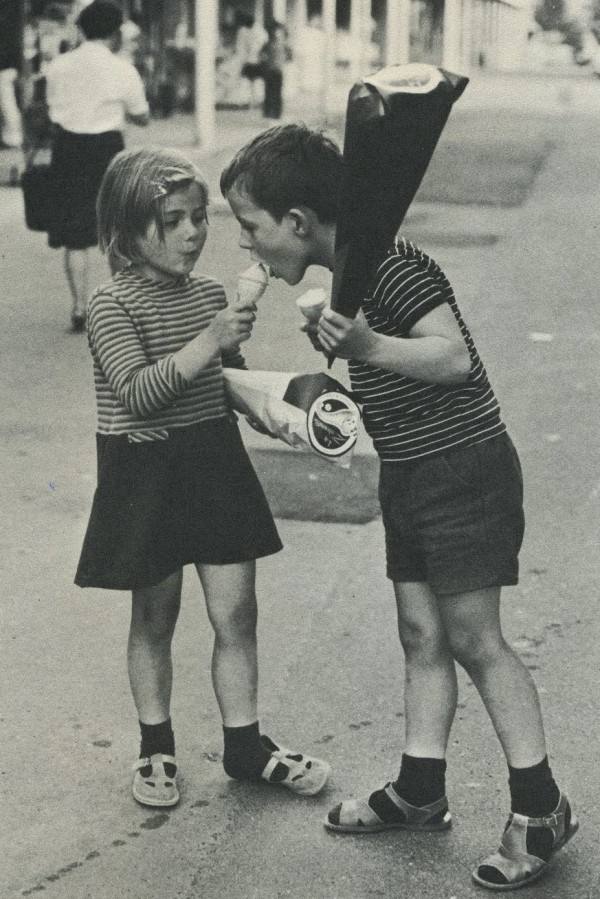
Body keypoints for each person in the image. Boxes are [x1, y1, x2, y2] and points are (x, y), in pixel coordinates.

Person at [220, 124, 578, 891]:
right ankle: (421, 788)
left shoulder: (389, 263)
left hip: (463, 470)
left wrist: (369, 346)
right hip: (411, 475)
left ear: (299, 223)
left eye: (251, 229)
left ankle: (542, 807)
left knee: (478, 641)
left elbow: (452, 358)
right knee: (421, 634)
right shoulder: (344, 280)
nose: (250, 250)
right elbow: (376, 377)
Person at [74, 146, 331, 809]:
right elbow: (137, 391)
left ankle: (245, 744)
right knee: (155, 616)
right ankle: (156, 744)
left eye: (199, 218)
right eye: (174, 220)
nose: (193, 233)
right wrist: (211, 340)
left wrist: (275, 408)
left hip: (214, 462)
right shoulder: (109, 305)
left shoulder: (209, 296)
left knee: (237, 613)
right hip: (145, 468)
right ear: (128, 228)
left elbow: (225, 380)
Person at [45, 0, 149, 333]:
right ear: (114, 33)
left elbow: (52, 108)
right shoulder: (122, 68)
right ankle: (117, 307)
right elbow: (142, 115)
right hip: (107, 149)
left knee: (76, 234)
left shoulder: (59, 64)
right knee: (116, 228)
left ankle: (79, 307)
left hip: (68, 148)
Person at [257, 22, 289, 120]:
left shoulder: (282, 44)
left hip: (276, 70)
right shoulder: (268, 44)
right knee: (269, 92)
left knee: (276, 92)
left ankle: (275, 113)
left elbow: (289, 56)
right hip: (271, 70)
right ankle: (269, 112)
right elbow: (261, 55)